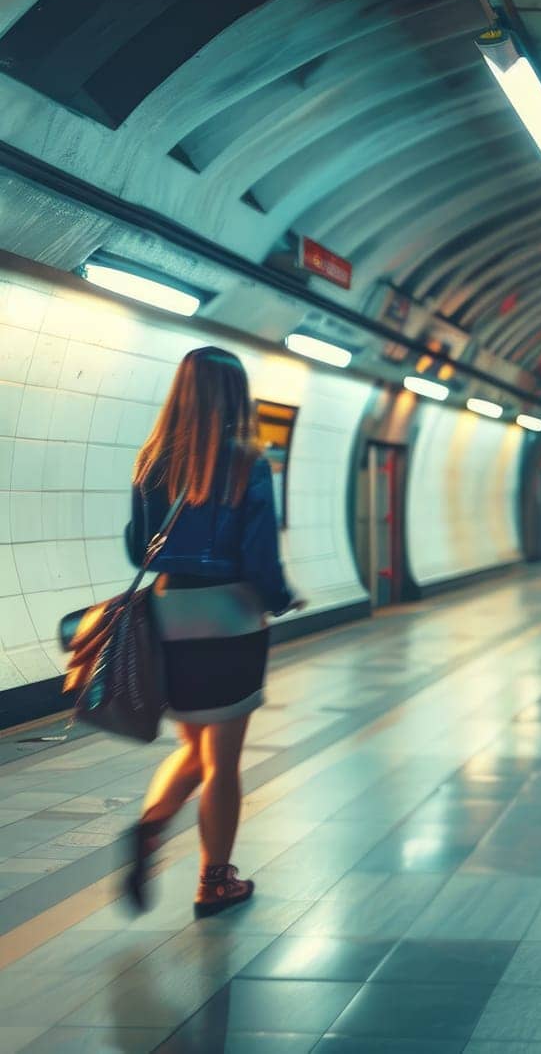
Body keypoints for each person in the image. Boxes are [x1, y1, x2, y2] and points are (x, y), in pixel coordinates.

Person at [123, 347, 302, 918]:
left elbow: (137, 548)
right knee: (223, 760)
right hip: (231, 617)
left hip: (170, 613)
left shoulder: (152, 461)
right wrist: (280, 598)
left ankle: (151, 825)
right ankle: (214, 881)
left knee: (194, 746)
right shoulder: (250, 463)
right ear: (236, 395)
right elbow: (258, 556)